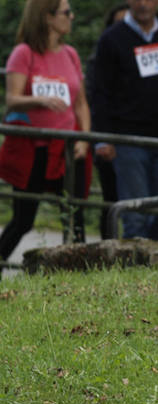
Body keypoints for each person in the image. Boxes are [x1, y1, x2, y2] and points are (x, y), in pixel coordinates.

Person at [0, 0, 90, 269]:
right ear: (47, 17)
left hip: (68, 146)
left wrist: (84, 138)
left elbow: (81, 103)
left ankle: (82, 277)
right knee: (24, 219)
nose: (71, 17)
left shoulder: (71, 54)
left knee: (74, 215)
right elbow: (12, 99)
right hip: (35, 148)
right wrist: (39, 100)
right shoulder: (23, 53)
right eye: (66, 12)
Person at [92, 0, 158, 240]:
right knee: (135, 214)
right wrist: (102, 138)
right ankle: (134, 271)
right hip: (127, 140)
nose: (144, 3)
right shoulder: (111, 39)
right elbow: (99, 91)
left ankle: (154, 262)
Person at [85, 2, 128, 240]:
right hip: (108, 135)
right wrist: (101, 138)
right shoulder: (98, 60)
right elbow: (94, 98)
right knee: (111, 197)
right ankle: (107, 246)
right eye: (118, 23)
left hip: (133, 134)